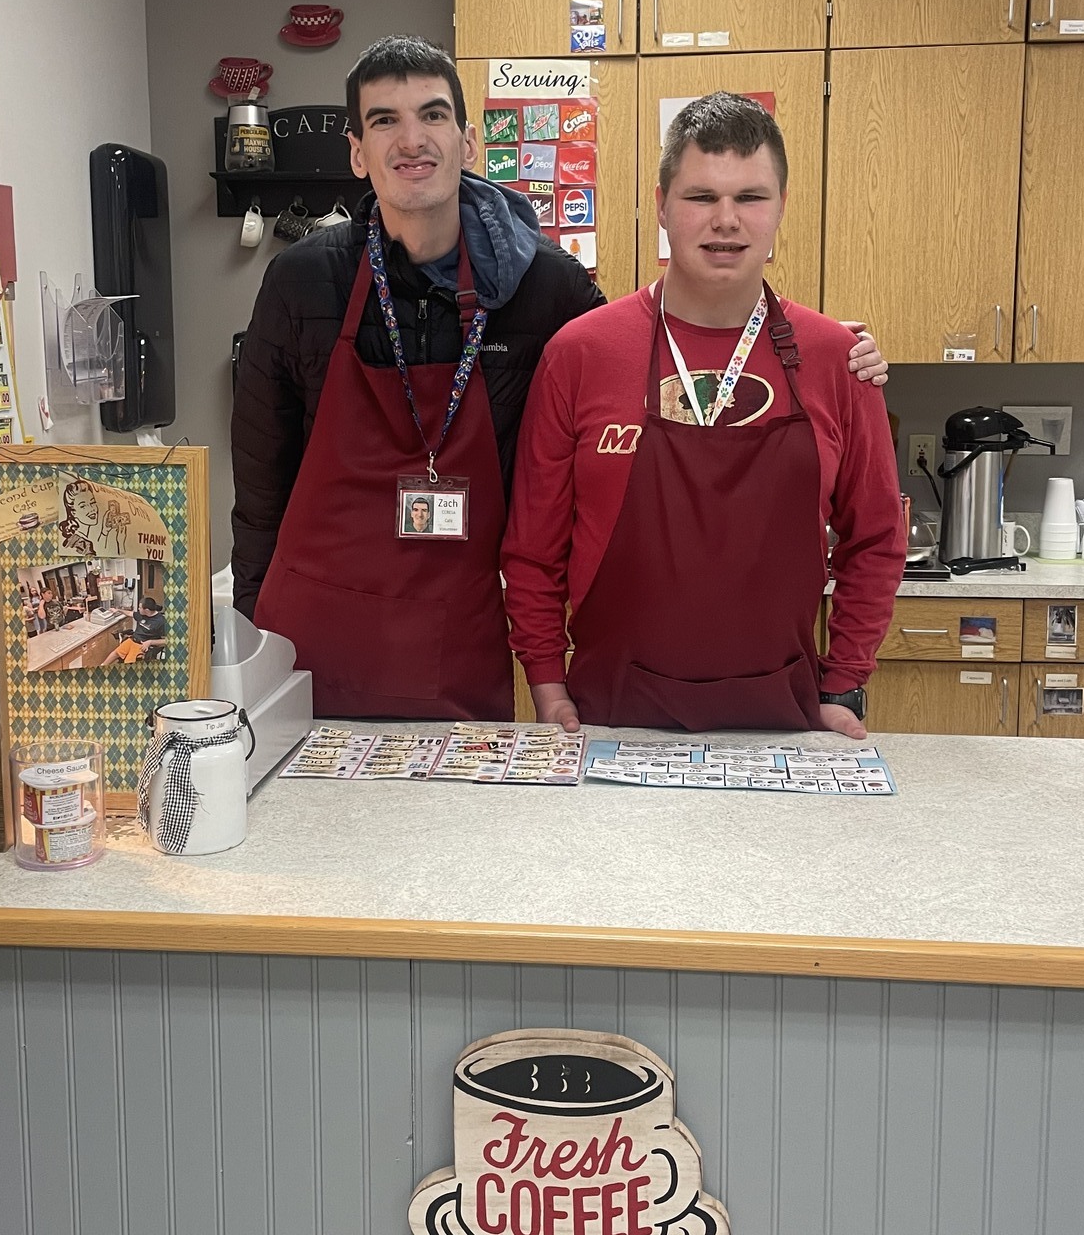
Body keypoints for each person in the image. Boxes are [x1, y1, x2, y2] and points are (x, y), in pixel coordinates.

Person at [230, 38, 891, 721]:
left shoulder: (546, 288)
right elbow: (259, 481)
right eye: (383, 120)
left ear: (468, 141)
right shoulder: (301, 280)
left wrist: (829, 352)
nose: (411, 140)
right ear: (356, 152)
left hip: (456, 638)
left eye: (432, 115)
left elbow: (645, 354)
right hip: (310, 638)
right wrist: (252, 638)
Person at [502, 93, 905, 737]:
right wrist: (547, 685)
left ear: (780, 208)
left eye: (750, 197)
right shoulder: (579, 354)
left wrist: (845, 682)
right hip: (609, 720)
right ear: (662, 206)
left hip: (786, 721)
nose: (726, 220)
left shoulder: (837, 359)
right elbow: (533, 548)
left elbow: (877, 537)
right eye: (701, 197)